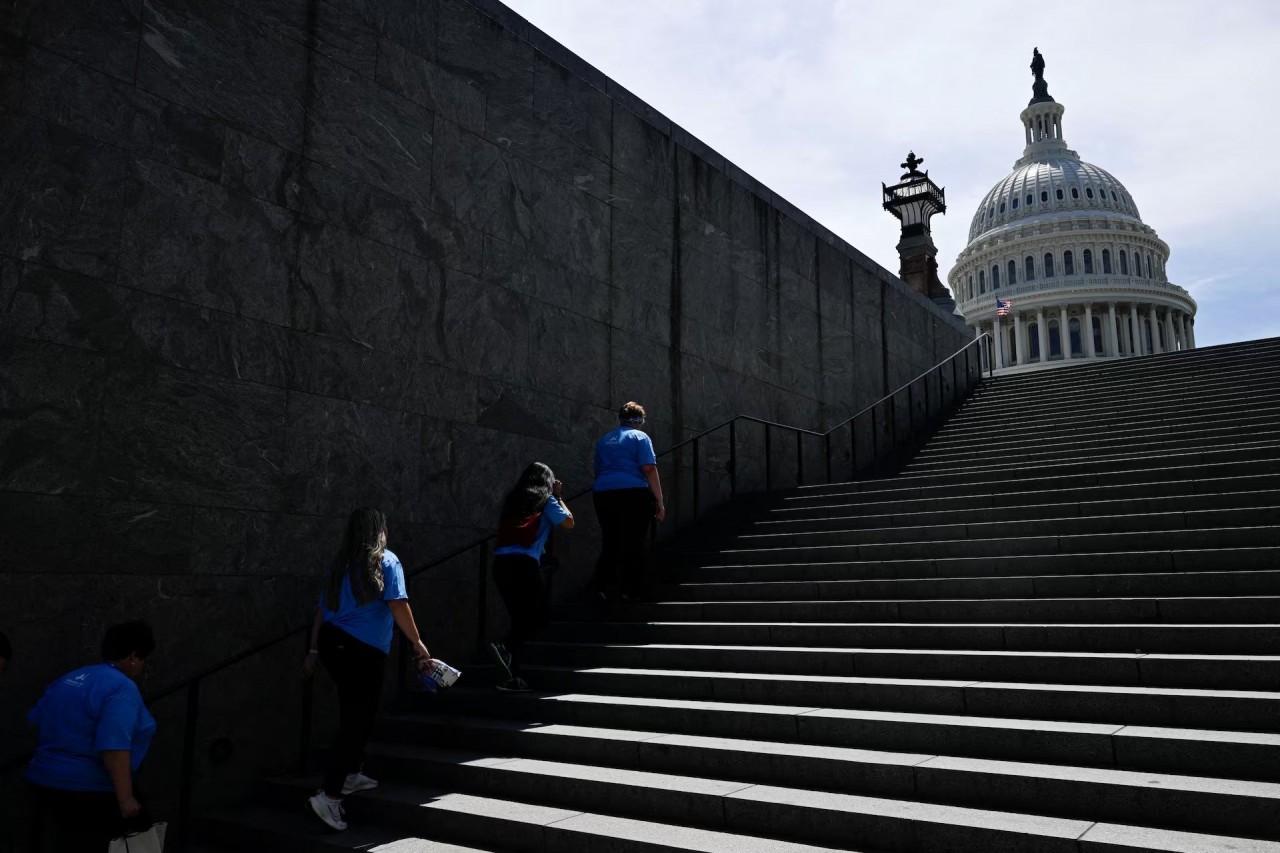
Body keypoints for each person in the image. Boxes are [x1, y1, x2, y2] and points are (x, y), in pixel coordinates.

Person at [301, 507, 432, 832]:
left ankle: (351, 774)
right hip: (362, 650)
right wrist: (418, 643)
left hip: (333, 645)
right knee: (357, 719)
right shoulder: (387, 560)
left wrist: (314, 651)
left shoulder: (340, 565)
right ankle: (330, 795)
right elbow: (398, 604)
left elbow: (321, 611)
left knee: (359, 712)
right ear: (379, 529)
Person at [26, 620, 157, 852]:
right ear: (133, 656)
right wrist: (125, 799)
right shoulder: (122, 687)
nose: (142, 667)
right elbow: (114, 746)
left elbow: (35, 718)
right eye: (144, 659)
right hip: (89, 789)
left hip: (43, 781)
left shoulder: (69, 678)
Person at [488, 462, 575, 692]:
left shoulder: (513, 499)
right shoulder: (546, 500)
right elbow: (568, 522)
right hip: (524, 565)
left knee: (519, 619)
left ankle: (510, 677)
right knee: (540, 617)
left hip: (501, 565)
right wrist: (558, 496)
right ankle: (504, 646)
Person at [591, 401, 665, 600]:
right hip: (633, 493)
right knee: (634, 541)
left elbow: (597, 471)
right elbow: (649, 468)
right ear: (639, 420)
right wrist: (659, 500)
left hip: (603, 493)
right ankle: (630, 590)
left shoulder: (604, 440)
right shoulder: (640, 437)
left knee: (611, 542)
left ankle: (600, 587)